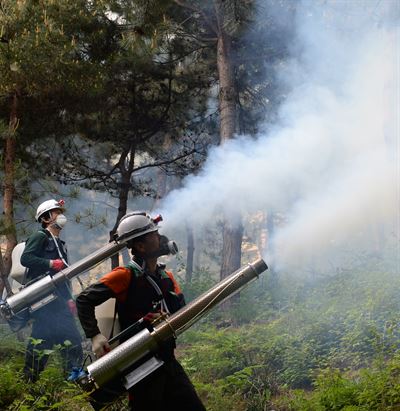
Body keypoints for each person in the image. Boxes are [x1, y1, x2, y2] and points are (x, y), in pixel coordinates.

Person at [76, 211, 206, 411]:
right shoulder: (125, 275)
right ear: (140, 246)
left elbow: (180, 312)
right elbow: (84, 299)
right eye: (154, 235)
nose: (160, 238)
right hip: (140, 364)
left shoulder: (166, 277)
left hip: (167, 360)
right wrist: (94, 336)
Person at [21, 199, 83, 382]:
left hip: (57, 300)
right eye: (56, 212)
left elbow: (61, 277)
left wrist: (69, 299)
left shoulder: (60, 243)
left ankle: (67, 379)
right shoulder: (40, 236)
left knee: (51, 338)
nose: (61, 215)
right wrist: (49, 263)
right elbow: (26, 258)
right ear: (46, 218)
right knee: (60, 337)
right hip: (44, 300)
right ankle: (33, 379)